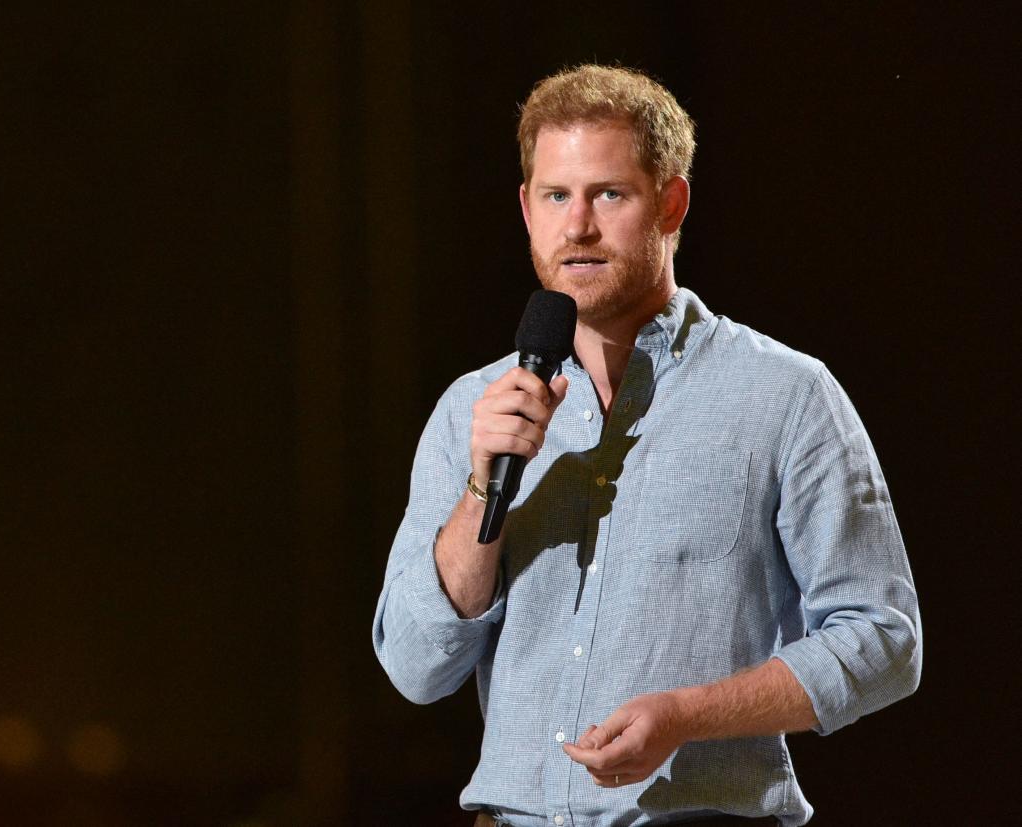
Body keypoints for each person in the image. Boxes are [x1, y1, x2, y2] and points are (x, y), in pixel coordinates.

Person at [371, 64, 921, 827]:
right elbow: (414, 665)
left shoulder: (785, 395)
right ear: (527, 209)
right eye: (556, 196)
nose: (579, 227)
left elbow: (884, 638)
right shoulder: (475, 410)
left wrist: (688, 714)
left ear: (671, 201)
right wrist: (479, 492)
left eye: (609, 194)